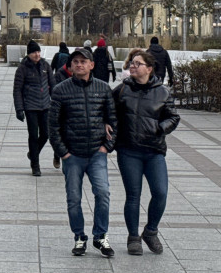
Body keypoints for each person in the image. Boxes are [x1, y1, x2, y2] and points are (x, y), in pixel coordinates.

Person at [49, 46, 117, 257]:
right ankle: (79, 236)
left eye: (83, 61)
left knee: (103, 193)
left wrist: (108, 146)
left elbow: (113, 119)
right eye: (75, 61)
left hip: (97, 152)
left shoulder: (103, 88)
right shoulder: (61, 89)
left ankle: (100, 236)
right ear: (70, 66)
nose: (79, 64)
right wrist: (63, 152)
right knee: (74, 198)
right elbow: (53, 125)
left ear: (92, 65)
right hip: (73, 155)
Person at [113, 49, 181, 255]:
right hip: (129, 151)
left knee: (160, 193)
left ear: (149, 69)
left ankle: (151, 231)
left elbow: (173, 117)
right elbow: (109, 112)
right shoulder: (122, 90)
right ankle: (133, 237)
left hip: (154, 151)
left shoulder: (163, 92)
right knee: (133, 195)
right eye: (132, 63)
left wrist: (160, 128)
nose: (133, 66)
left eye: (138, 63)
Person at [13, 40, 55, 176]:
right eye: (34, 52)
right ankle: (35, 166)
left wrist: (57, 101)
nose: (37, 54)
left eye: (38, 51)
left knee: (45, 134)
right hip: (30, 106)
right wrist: (19, 109)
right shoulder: (22, 68)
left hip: (45, 105)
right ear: (29, 54)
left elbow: (53, 84)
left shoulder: (45, 66)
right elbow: (17, 90)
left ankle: (32, 153)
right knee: (33, 135)